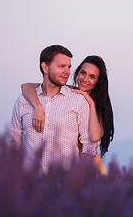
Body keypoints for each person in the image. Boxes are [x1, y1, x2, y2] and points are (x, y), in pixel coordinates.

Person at [11, 45, 97, 174]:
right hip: (30, 183)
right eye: (61, 66)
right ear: (45, 67)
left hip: (64, 183)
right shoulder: (23, 101)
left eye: (68, 67)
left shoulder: (78, 101)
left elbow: (89, 146)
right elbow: (14, 141)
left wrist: (78, 177)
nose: (67, 72)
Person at [21, 55, 114, 175]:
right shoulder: (66, 92)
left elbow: (95, 137)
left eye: (92, 77)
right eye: (83, 73)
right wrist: (37, 107)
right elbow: (26, 87)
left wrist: (90, 102)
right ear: (77, 73)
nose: (85, 79)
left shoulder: (97, 106)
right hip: (67, 169)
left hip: (90, 169)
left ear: (98, 81)